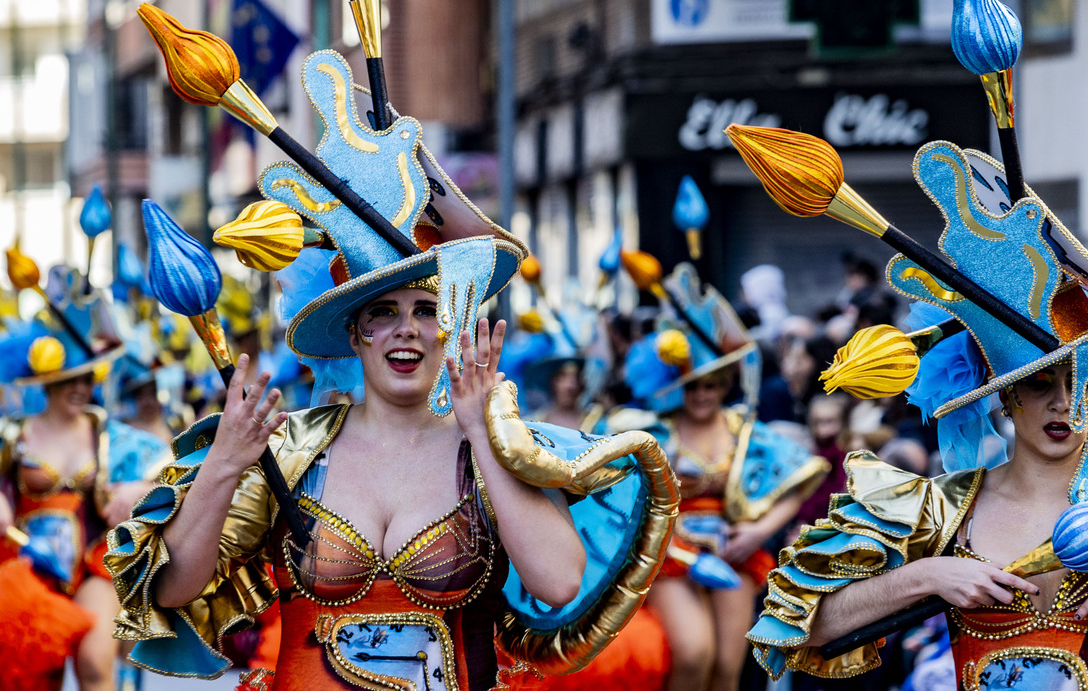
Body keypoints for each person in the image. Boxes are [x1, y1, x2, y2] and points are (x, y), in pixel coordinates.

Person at [106, 29, 676, 690]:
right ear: (354, 334)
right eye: (382, 312)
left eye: (426, 309)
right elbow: (175, 587)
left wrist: (482, 433)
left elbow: (557, 581)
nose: (405, 330)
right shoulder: (290, 451)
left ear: (450, 326)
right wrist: (227, 462)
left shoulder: (486, 446)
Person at [745, 138, 1088, 689]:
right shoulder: (945, 509)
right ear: (1004, 395)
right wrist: (929, 575)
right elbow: (803, 623)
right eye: (1038, 384)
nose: (1062, 402)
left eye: (1077, 380)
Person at [611, 262, 829, 691]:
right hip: (668, 553)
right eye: (693, 387)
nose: (703, 395)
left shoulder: (741, 430)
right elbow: (620, 497)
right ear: (677, 386)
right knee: (694, 655)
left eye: (712, 384)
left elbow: (803, 475)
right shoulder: (655, 431)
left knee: (728, 668)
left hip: (733, 553)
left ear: (725, 382)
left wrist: (757, 532)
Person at [0, 272, 162, 691]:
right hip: (26, 567)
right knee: (32, 668)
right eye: (72, 378)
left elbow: (169, 478)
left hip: (90, 567)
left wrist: (138, 492)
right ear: (49, 380)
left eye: (89, 378)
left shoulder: (109, 436)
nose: (82, 388)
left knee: (94, 660)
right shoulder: (14, 433)